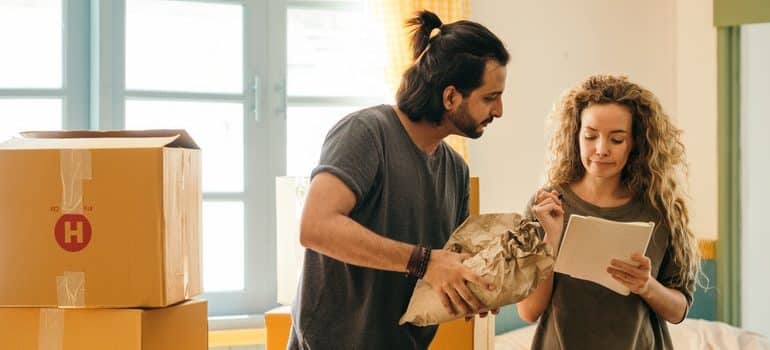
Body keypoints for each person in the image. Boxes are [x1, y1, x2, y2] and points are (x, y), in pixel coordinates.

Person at [288, 10, 510, 350]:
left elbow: (444, 268)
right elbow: (316, 227)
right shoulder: (366, 133)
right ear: (450, 97)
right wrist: (425, 262)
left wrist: (474, 288)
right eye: (490, 97)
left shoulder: (456, 170)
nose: (499, 111)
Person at [517, 74, 701, 349]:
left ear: (635, 143)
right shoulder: (547, 205)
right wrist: (550, 242)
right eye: (590, 136)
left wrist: (646, 286)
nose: (601, 149)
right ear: (575, 135)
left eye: (616, 139)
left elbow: (678, 310)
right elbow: (528, 311)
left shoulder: (660, 210)